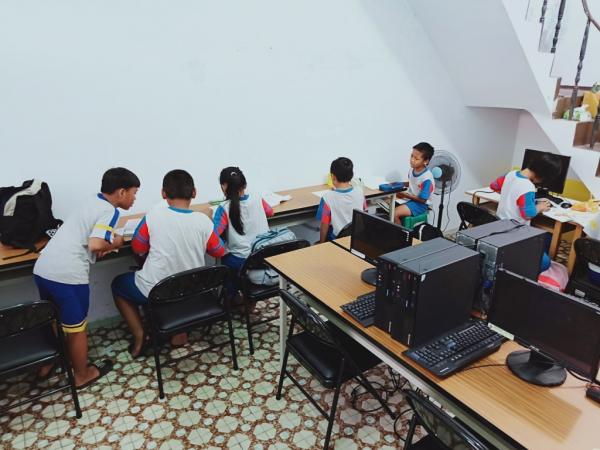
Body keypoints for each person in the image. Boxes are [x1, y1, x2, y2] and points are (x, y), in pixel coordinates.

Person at [33, 167, 139, 388]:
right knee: (76, 328)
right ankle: (81, 375)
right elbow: (95, 244)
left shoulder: (92, 200)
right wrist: (117, 242)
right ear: (121, 192)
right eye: (134, 193)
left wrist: (103, 244)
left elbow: (90, 237)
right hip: (67, 276)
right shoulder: (110, 211)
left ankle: (49, 363)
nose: (134, 198)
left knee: (54, 318)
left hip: (43, 269)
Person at [111, 170, 225, 356]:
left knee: (118, 285)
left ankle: (140, 336)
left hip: (158, 291)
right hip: (193, 289)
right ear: (194, 192)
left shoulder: (153, 217)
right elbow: (219, 251)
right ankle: (179, 332)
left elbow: (138, 248)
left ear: (164, 194)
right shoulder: (203, 221)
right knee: (177, 278)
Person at [490, 153, 563, 270]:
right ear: (543, 175)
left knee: (547, 238)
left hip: (499, 226)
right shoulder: (527, 186)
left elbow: (494, 186)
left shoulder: (511, 174)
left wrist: (509, 195)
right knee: (545, 263)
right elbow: (528, 214)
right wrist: (540, 206)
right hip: (514, 233)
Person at [213, 167, 274, 289]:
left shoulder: (223, 208)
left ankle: (231, 294)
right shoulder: (257, 198)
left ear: (223, 187)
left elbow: (214, 234)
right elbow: (270, 212)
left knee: (223, 259)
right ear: (245, 185)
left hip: (240, 259)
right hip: (262, 254)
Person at [316, 157, 366, 243]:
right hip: (356, 238)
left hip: (337, 239)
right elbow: (364, 211)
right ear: (351, 175)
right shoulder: (360, 192)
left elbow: (325, 225)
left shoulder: (327, 198)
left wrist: (321, 244)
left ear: (333, 177)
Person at [394, 142, 435, 224]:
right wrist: (398, 184)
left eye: (416, 159)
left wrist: (405, 195)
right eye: (411, 156)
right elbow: (412, 183)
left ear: (425, 161)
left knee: (394, 213)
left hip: (420, 205)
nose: (412, 160)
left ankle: (400, 232)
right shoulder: (412, 169)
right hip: (410, 199)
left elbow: (423, 200)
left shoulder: (426, 178)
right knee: (388, 205)